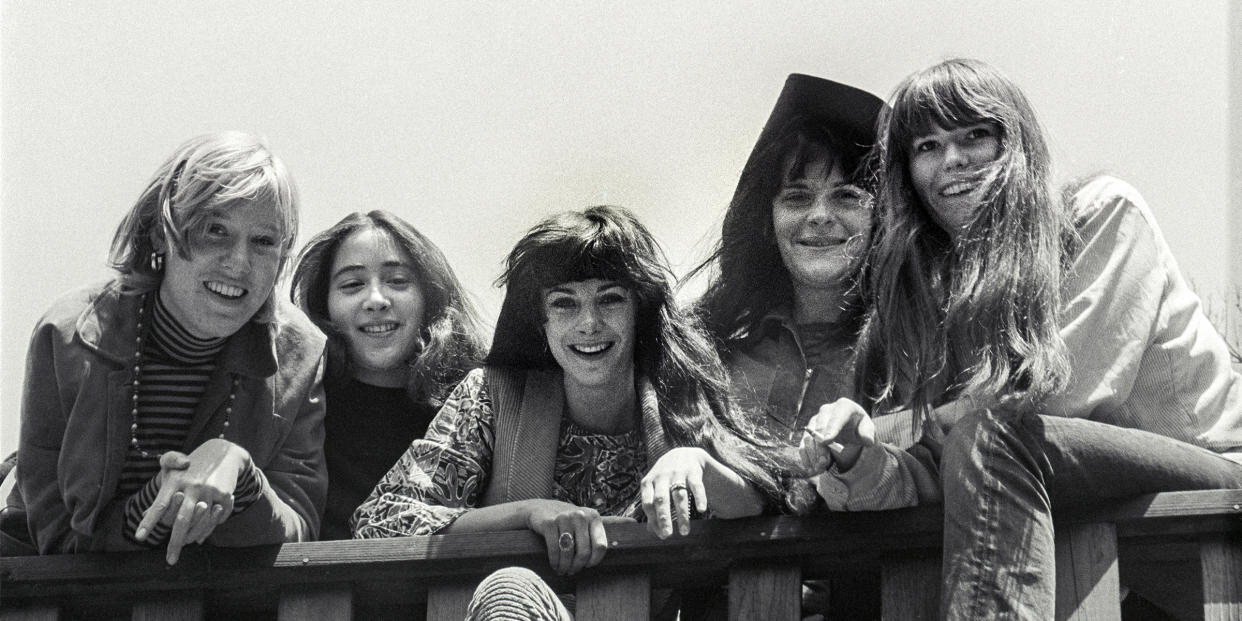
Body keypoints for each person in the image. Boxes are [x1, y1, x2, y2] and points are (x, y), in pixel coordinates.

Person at [800, 58, 1242, 620]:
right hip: (1107, 553)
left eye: (974, 135)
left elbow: (1061, 392)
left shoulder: (1100, 215)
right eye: (927, 146)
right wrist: (858, 456)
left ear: (1015, 145)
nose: (951, 160)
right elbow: (934, 476)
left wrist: (905, 426)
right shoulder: (923, 300)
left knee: (991, 434)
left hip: (1213, 500)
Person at [353, 205, 790, 620]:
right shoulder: (492, 396)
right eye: (564, 303)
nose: (588, 323)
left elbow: (765, 503)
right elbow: (381, 523)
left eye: (610, 299)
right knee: (511, 590)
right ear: (541, 321)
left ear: (640, 312)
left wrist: (696, 462)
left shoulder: (682, 399)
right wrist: (530, 514)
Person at [7, 132, 328, 565]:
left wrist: (240, 473)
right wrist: (156, 502)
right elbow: (54, 532)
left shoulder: (300, 355)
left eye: (264, 241)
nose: (239, 263)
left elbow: (302, 531)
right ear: (162, 233)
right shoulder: (68, 336)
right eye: (215, 230)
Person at [689, 73, 886, 619]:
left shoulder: (914, 346)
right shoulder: (709, 351)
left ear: (882, 214)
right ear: (768, 216)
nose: (820, 215)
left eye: (847, 195)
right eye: (797, 196)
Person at [290, 210, 486, 540]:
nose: (376, 300)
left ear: (429, 296)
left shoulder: (480, 404)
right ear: (324, 306)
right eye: (352, 285)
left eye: (397, 281)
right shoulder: (298, 405)